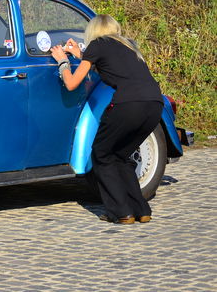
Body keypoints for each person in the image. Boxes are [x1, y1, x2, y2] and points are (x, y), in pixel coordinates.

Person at [51, 14, 163, 224]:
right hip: (154, 105)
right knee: (120, 156)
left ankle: (121, 212)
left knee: (102, 155)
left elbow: (72, 83)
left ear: (94, 31)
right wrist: (80, 54)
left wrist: (63, 62)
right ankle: (141, 210)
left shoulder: (97, 45)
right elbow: (109, 65)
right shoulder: (129, 46)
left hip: (128, 105)